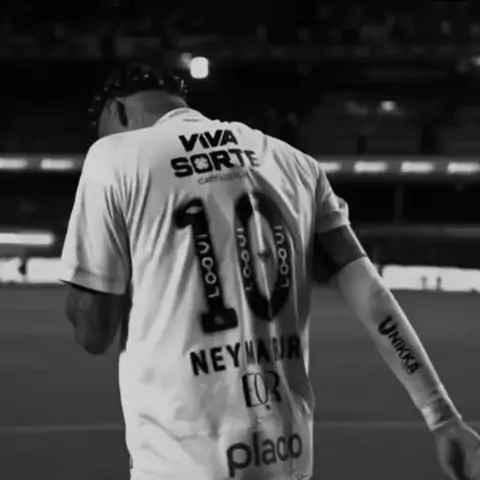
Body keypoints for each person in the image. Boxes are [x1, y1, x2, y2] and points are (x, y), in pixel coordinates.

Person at [59, 62, 480, 480]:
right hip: (285, 453)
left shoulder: (113, 156)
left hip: (179, 459)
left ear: (116, 111)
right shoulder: (293, 161)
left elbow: (93, 332)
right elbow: (371, 295)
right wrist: (443, 418)